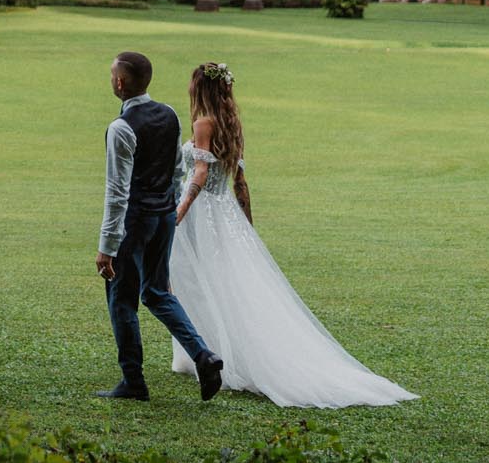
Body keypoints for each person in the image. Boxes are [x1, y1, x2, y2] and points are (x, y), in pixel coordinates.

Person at [164, 62, 417, 407]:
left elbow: (200, 172)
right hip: (226, 216)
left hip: (203, 213)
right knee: (222, 282)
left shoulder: (203, 123)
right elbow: (240, 183)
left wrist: (180, 211)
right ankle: (203, 352)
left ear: (200, 90)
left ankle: (217, 354)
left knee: (200, 282)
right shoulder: (231, 124)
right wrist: (246, 227)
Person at [94, 50, 224, 402]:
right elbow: (177, 171)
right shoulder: (169, 115)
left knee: (122, 298)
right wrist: (167, 210)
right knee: (156, 291)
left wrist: (107, 246)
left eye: (112, 75)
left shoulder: (120, 128)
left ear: (120, 83)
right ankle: (203, 355)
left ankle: (133, 382)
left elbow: (118, 192)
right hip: (164, 216)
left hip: (135, 221)